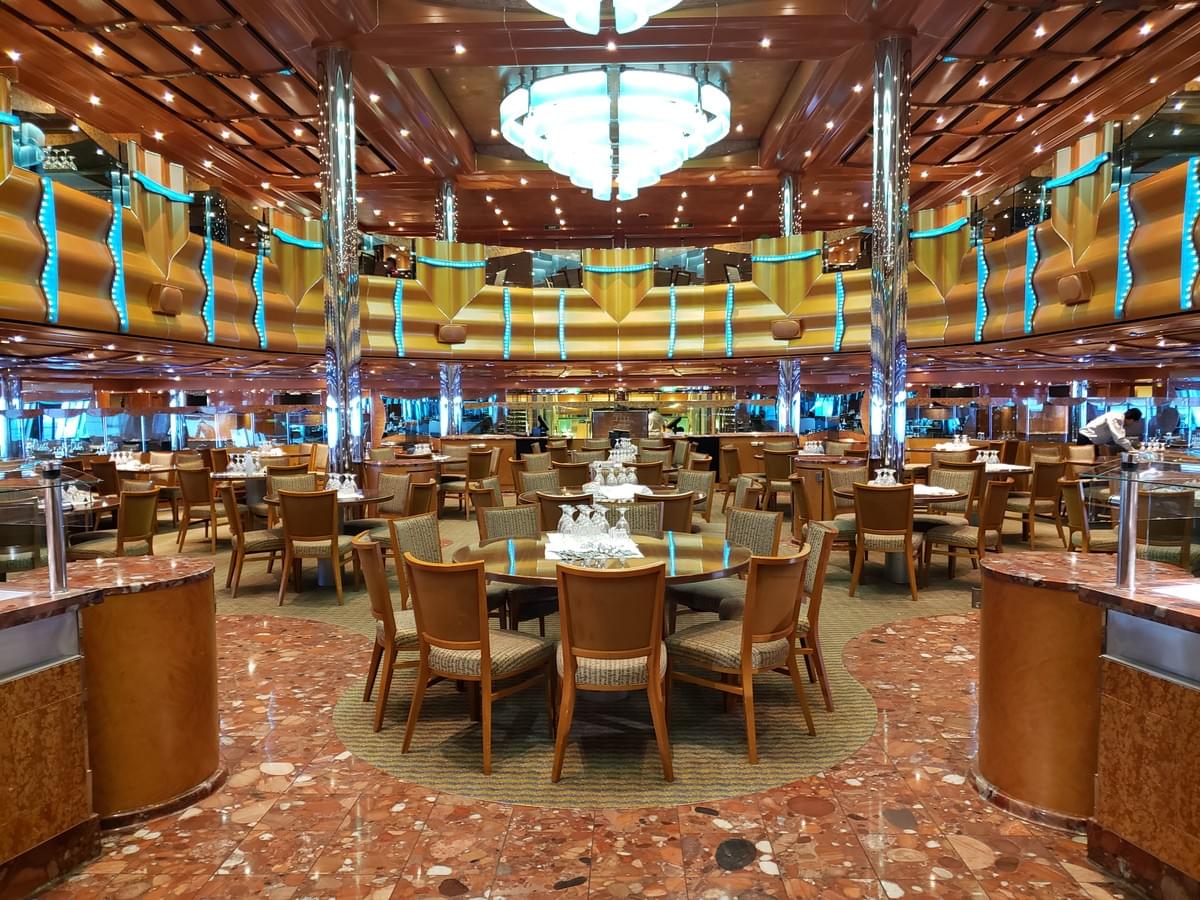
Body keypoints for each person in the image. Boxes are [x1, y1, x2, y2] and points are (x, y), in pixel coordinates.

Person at [1077, 407, 1142, 451]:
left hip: (1091, 441)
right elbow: (1119, 439)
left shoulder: (1119, 419)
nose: (1132, 424)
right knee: (1087, 465)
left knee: (1094, 465)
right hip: (1085, 439)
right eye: (1134, 422)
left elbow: (1117, 437)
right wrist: (1132, 450)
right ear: (1131, 419)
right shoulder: (1116, 418)